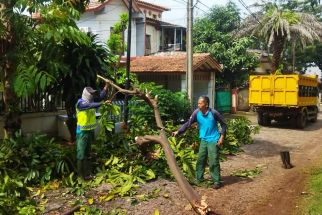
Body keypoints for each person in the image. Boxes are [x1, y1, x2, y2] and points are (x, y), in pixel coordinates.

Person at [172, 96, 227, 189]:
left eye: (200, 103)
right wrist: (178, 131)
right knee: (200, 159)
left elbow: (224, 124)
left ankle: (217, 181)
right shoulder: (196, 113)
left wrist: (222, 137)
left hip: (214, 139)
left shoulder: (213, 113)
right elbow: (188, 123)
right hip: (203, 140)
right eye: (198, 103)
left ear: (206, 104)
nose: (198, 105)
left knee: (213, 161)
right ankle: (199, 179)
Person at [76, 85, 108, 180]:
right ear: (86, 94)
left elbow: (100, 97)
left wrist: (106, 87)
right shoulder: (80, 103)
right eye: (91, 94)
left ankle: (88, 174)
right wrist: (102, 103)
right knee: (81, 154)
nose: (93, 95)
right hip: (81, 132)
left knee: (88, 154)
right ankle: (80, 176)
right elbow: (89, 106)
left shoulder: (92, 102)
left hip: (89, 131)